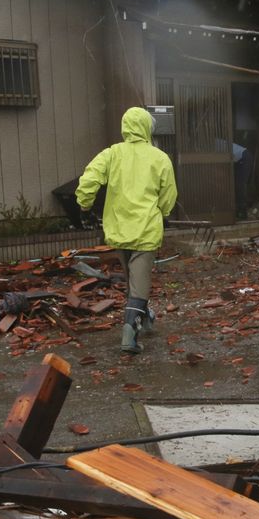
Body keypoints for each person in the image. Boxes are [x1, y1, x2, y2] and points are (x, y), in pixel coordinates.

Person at [77, 107, 177, 353]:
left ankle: (146, 318)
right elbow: (168, 194)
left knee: (135, 283)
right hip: (145, 231)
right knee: (139, 284)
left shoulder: (111, 154)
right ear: (146, 128)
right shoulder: (159, 157)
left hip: (119, 230)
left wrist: (84, 205)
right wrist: (163, 213)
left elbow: (89, 179)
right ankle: (128, 336)